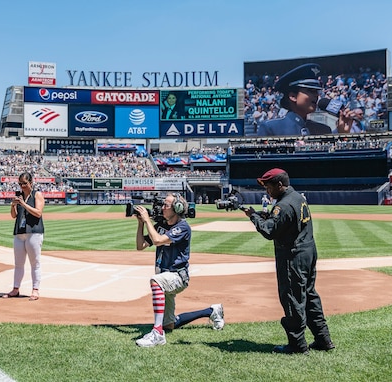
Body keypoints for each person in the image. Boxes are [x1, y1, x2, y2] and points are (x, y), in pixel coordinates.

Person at [244, 168, 335, 354]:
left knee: (292, 299)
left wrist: (253, 216)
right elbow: (286, 224)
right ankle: (323, 339)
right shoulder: (298, 197)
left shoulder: (283, 206)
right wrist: (266, 217)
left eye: (269, 187)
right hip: (307, 252)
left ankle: (297, 345)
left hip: (292, 257)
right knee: (310, 297)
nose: (267, 191)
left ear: (279, 185)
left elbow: (270, 231)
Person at [133, 193, 224, 347]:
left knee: (156, 282)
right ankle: (212, 311)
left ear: (177, 208)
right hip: (165, 274)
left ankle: (157, 333)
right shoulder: (162, 226)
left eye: (166, 205)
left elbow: (158, 240)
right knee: (170, 324)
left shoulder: (182, 227)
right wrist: (141, 223)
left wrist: (148, 219)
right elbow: (140, 246)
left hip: (178, 276)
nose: (162, 208)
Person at [257, 64, 332, 136]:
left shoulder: (323, 130)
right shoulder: (271, 128)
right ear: (293, 96)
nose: (316, 95)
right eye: (311, 91)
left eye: (317, 91)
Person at [5, 172, 45, 301]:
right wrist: (13, 205)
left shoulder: (37, 195)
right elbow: (13, 216)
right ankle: (15, 289)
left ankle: (35, 290)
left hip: (34, 232)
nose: (22, 186)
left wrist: (23, 204)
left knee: (35, 263)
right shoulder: (19, 196)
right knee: (18, 263)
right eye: (20, 184)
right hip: (20, 232)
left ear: (31, 183)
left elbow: (38, 213)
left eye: (24, 183)